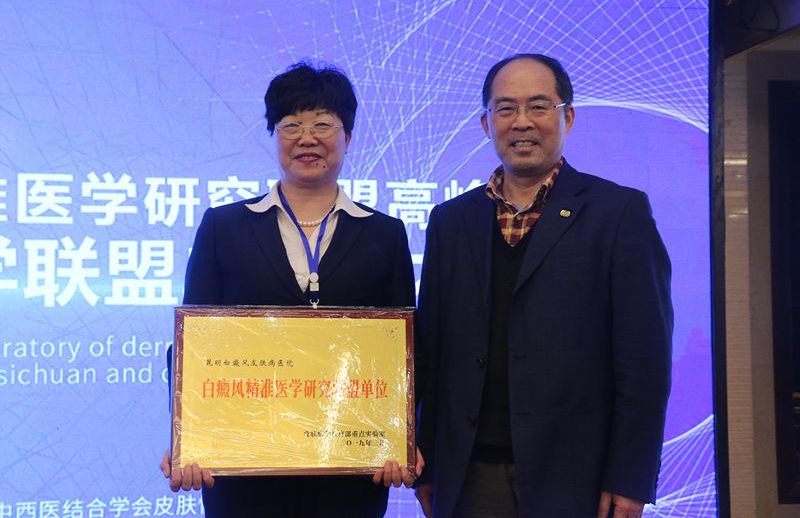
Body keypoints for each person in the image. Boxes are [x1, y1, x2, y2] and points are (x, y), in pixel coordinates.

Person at [413, 54, 672, 518]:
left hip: (577, 477)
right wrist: (427, 463)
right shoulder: (451, 221)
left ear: (567, 117)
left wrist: (629, 476)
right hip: (470, 474)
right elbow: (432, 353)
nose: (522, 122)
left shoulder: (618, 214)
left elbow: (644, 359)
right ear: (486, 123)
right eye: (505, 109)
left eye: (538, 106)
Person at [159, 62, 421, 517]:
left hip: (348, 471)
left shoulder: (385, 233)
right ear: (273, 135)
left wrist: (403, 435)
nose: (307, 138)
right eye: (291, 125)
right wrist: (189, 436)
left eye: (323, 124)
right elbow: (194, 343)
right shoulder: (223, 227)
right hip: (245, 470)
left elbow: (405, 350)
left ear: (348, 137)